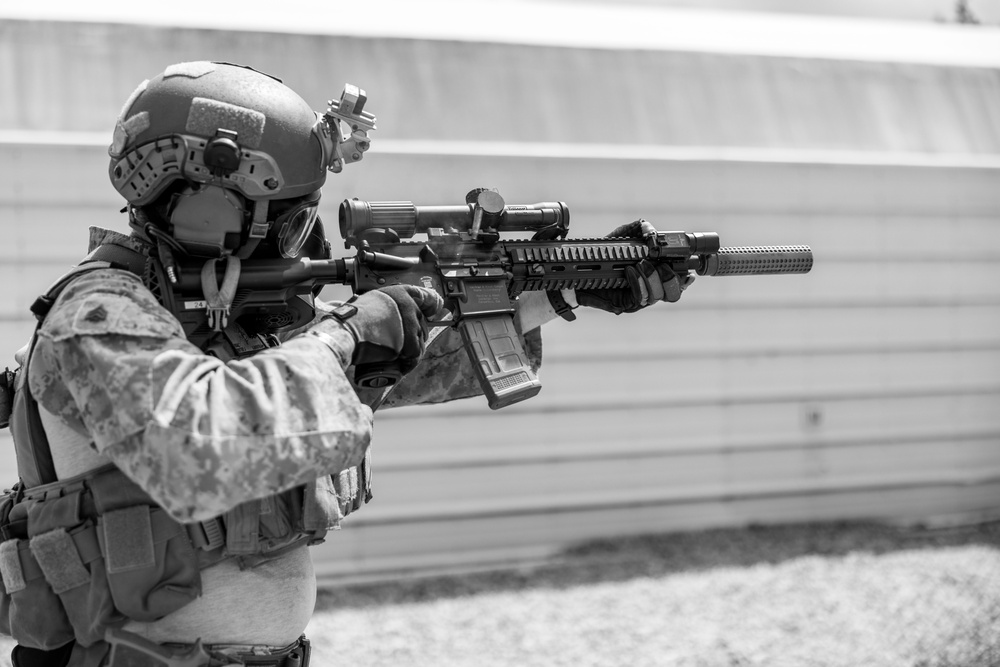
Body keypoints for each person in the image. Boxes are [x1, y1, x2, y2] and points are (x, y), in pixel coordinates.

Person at [0, 61, 690, 666]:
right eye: (290, 218)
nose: (304, 238)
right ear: (212, 210)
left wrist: (565, 288)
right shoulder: (96, 312)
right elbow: (194, 445)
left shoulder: (227, 322)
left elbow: (411, 362)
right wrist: (345, 337)